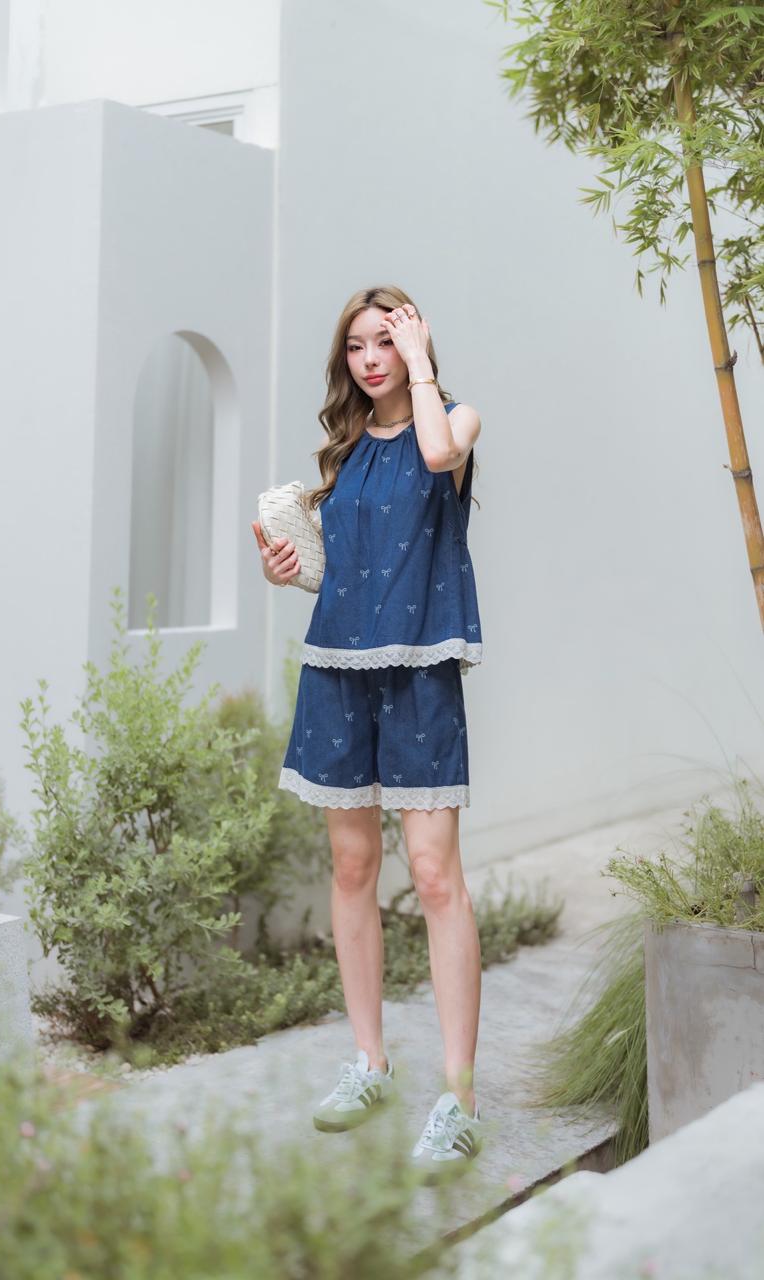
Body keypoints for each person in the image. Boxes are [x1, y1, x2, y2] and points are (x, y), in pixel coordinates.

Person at [250, 285, 484, 1182]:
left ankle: (459, 1100)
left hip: (422, 670)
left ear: (414, 342)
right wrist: (287, 570)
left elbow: (435, 453)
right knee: (351, 869)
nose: (370, 358)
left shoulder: (455, 422)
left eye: (385, 339)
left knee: (434, 876)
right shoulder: (344, 454)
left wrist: (423, 364)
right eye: (357, 345)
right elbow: (344, 573)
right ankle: (370, 1063)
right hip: (338, 670)